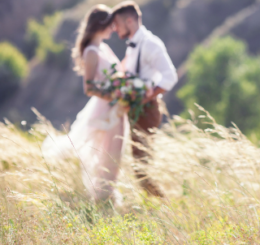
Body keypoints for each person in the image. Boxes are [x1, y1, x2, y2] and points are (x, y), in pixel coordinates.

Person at [41, 4, 128, 204]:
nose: (113, 29)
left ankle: (106, 195)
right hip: (105, 107)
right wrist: (113, 95)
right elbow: (89, 88)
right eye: (110, 25)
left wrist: (125, 86)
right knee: (106, 151)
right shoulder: (91, 52)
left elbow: (118, 74)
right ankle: (102, 196)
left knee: (115, 150)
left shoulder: (103, 47)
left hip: (117, 105)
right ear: (100, 25)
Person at [110, 1, 178, 197]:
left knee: (141, 168)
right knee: (139, 164)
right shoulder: (133, 45)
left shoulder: (150, 44)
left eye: (117, 24)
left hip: (147, 111)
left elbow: (170, 76)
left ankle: (163, 205)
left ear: (129, 21)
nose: (114, 30)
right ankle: (156, 205)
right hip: (134, 111)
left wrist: (148, 95)